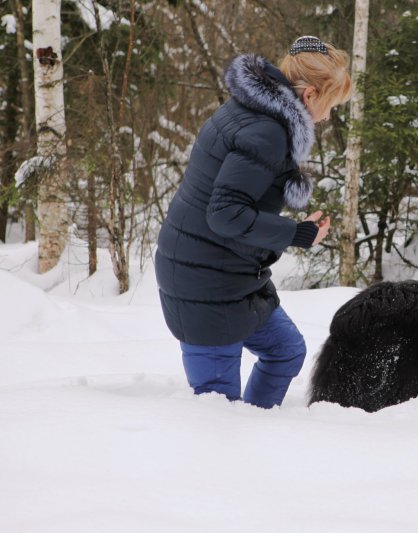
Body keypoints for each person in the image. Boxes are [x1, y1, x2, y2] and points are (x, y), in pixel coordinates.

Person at [154, 36, 352, 409]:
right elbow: (225, 213)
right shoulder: (267, 131)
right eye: (329, 106)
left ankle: (260, 428)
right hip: (203, 283)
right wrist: (296, 233)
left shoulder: (257, 109)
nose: (327, 118)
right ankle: (237, 458)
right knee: (217, 414)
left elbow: (236, 199)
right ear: (309, 95)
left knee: (287, 351)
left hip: (230, 273)